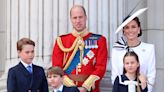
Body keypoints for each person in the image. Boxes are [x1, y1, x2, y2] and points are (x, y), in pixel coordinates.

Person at [52, 5, 108, 92]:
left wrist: (86, 86)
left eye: (80, 17)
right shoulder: (61, 41)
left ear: (86, 18)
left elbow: (100, 67)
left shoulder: (99, 40)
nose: (78, 21)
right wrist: (72, 88)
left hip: (90, 89)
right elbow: (57, 68)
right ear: (71, 19)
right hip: (68, 89)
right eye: (75, 18)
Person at [111, 16, 156, 92]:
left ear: (139, 29)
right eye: (127, 27)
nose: (130, 30)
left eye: (133, 27)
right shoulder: (117, 49)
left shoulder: (149, 48)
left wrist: (146, 90)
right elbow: (115, 75)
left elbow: (151, 75)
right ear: (123, 31)